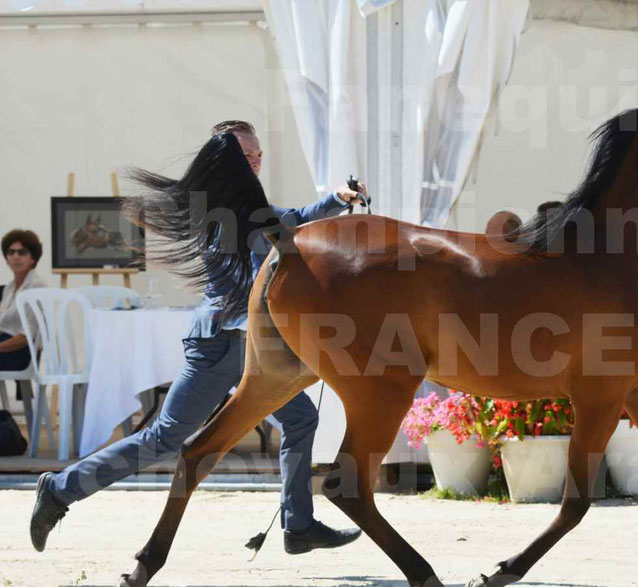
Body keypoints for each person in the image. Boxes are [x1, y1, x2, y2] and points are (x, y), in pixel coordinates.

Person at [31, 120, 366, 554]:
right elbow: (251, 269)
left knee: (301, 419)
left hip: (251, 349)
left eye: (260, 155)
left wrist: (336, 200)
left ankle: (298, 524)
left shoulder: (250, 209)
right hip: (218, 348)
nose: (257, 162)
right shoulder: (216, 215)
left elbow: (295, 219)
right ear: (226, 163)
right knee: (163, 439)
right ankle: (59, 490)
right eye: (248, 156)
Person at [0, 229, 47, 370]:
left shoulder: (37, 287)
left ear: (33, 259)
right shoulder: (9, 288)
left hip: (23, 353)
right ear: (6, 259)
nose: (15, 256)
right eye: (11, 252)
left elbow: (26, 337)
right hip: (5, 347)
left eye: (22, 252)